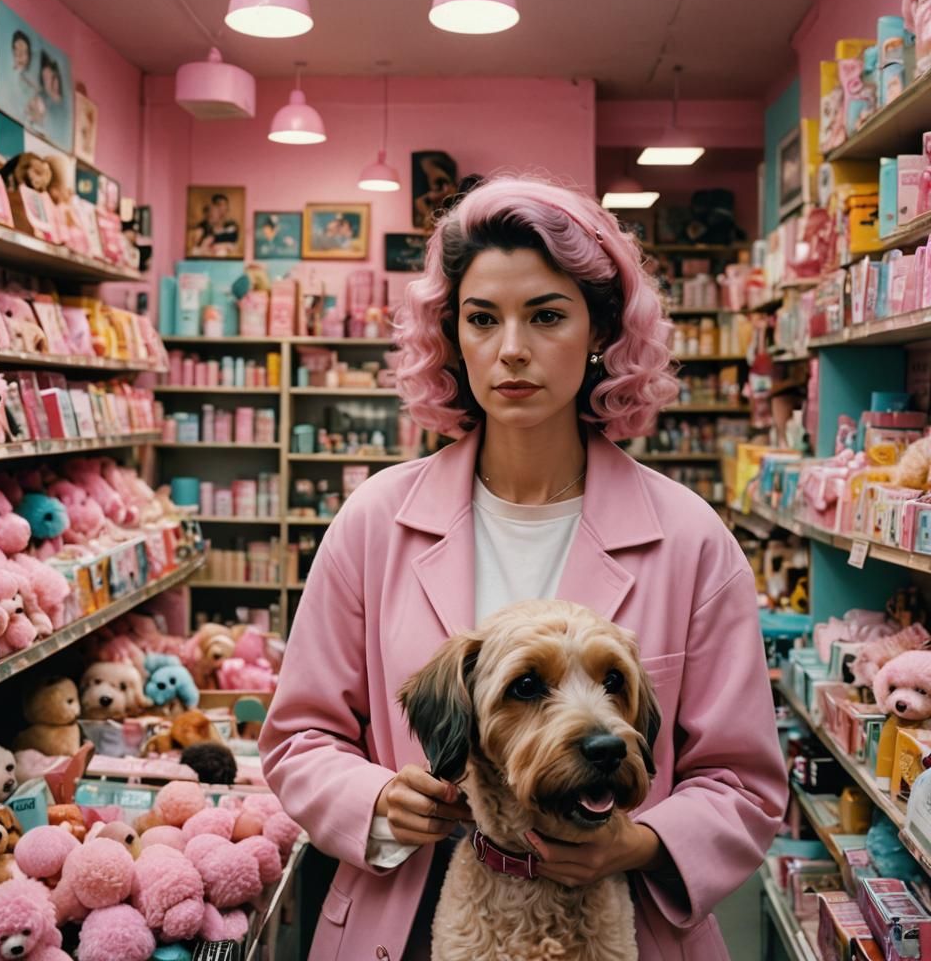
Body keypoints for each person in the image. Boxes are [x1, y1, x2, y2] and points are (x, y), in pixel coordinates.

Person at [260, 176, 787, 961]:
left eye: (545, 315)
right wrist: (375, 798)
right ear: (451, 338)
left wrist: (637, 844)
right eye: (481, 319)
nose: (511, 349)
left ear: (601, 331)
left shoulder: (689, 539)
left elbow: (744, 782)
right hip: (403, 922)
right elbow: (298, 736)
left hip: (622, 927)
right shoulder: (374, 522)